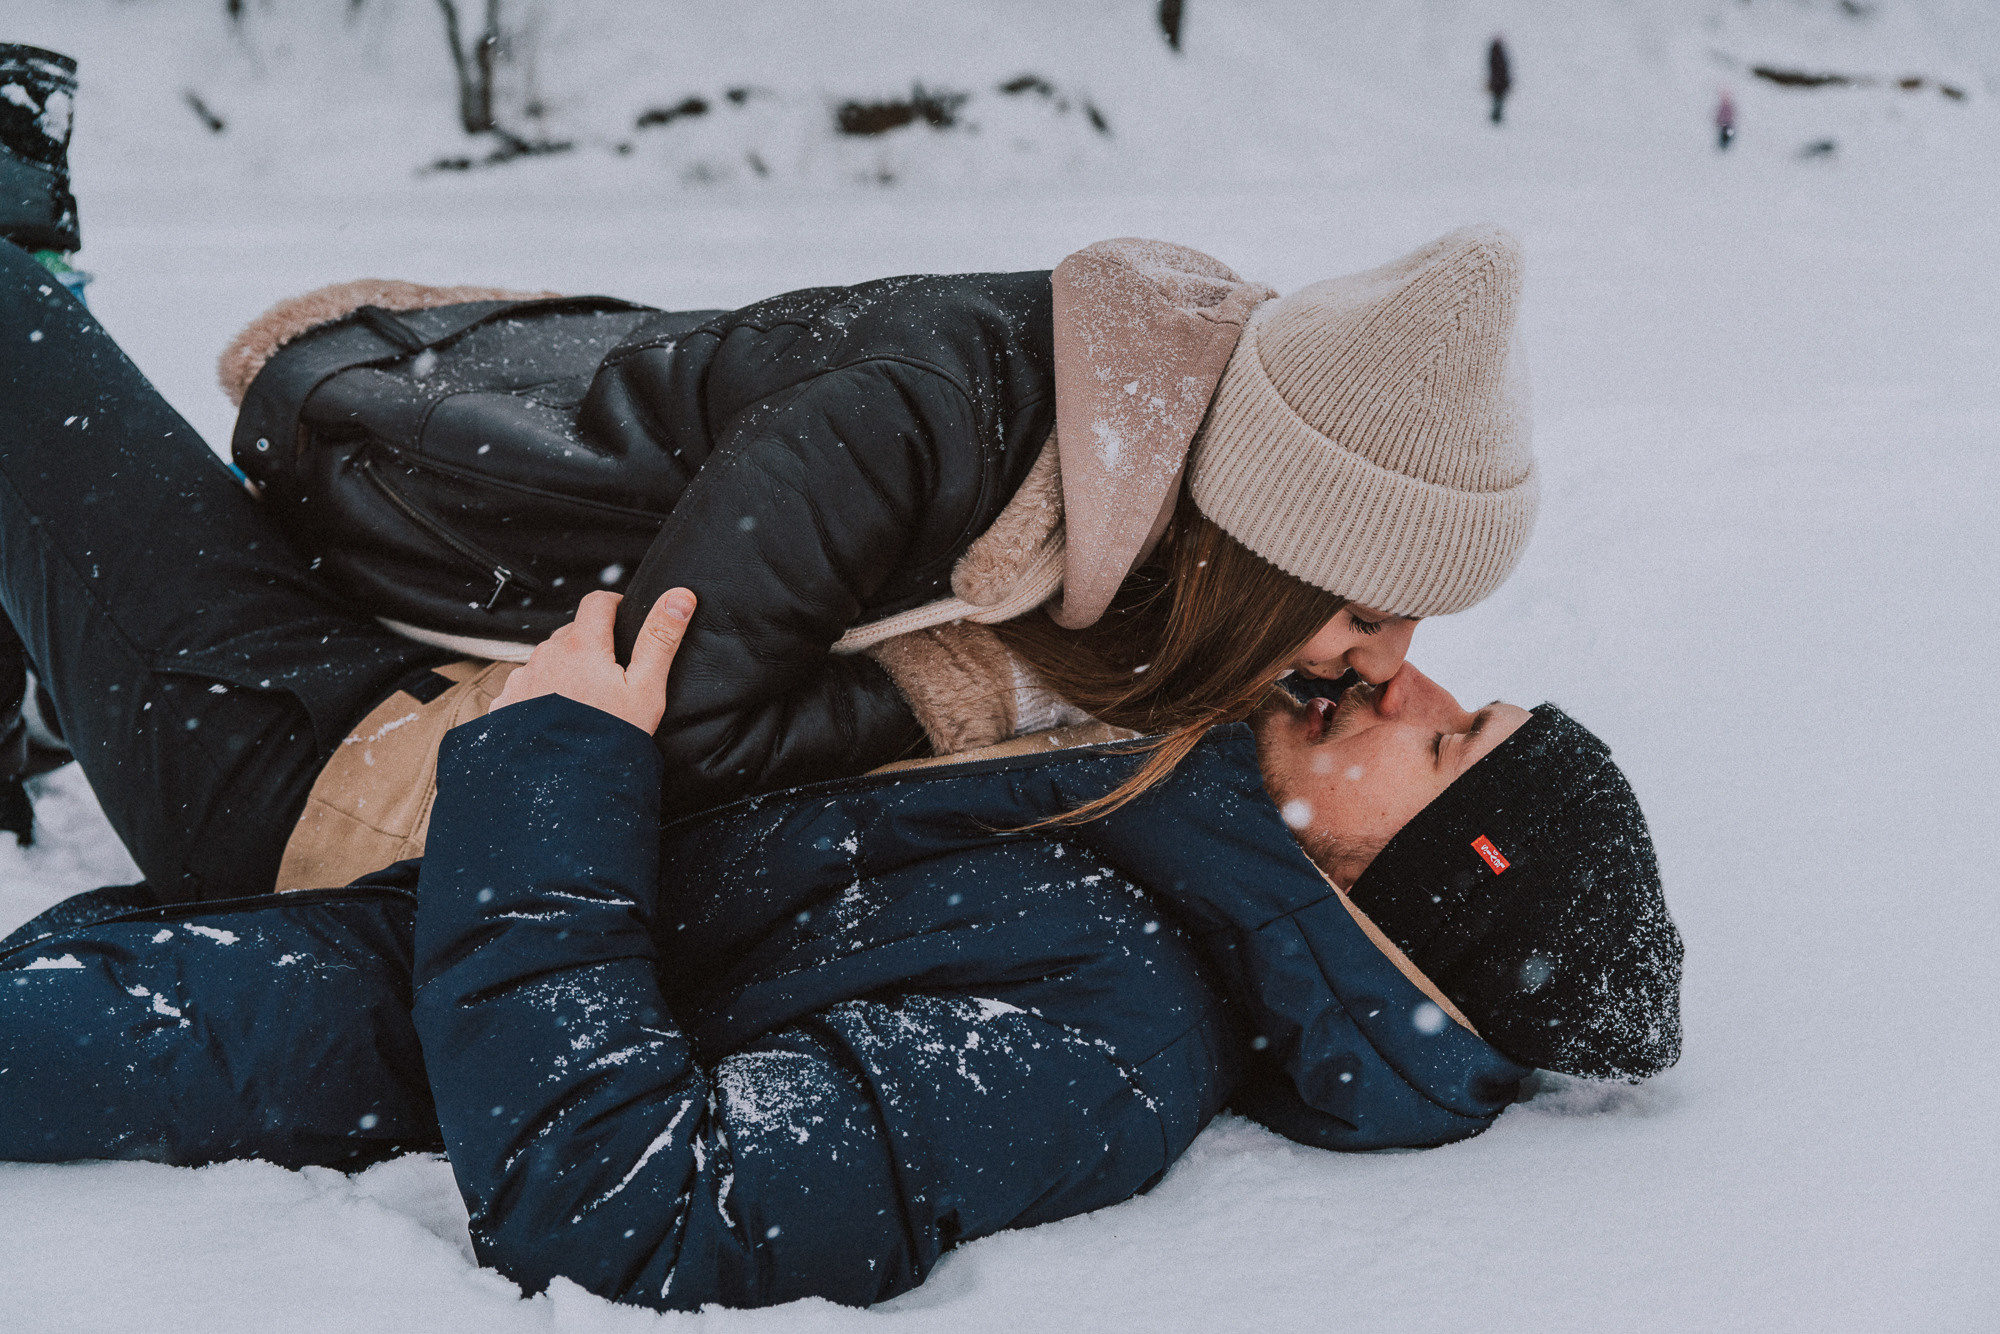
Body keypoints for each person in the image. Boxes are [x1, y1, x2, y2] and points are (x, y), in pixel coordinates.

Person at [0, 573, 1683, 1311]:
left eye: (1452, 739)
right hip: (334, 877)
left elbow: (638, 1206)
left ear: (1417, 902)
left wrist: (561, 761)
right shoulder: (1146, 823)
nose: (1415, 678)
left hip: (265, 1025)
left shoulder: (1113, 1037)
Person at [1488, 35, 1512, 124]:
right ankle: (1496, 117)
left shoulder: (1497, 53)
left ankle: (1496, 116)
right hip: (1499, 82)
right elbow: (1498, 69)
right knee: (1498, 99)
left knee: (1498, 99)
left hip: (1499, 81)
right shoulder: (1497, 54)